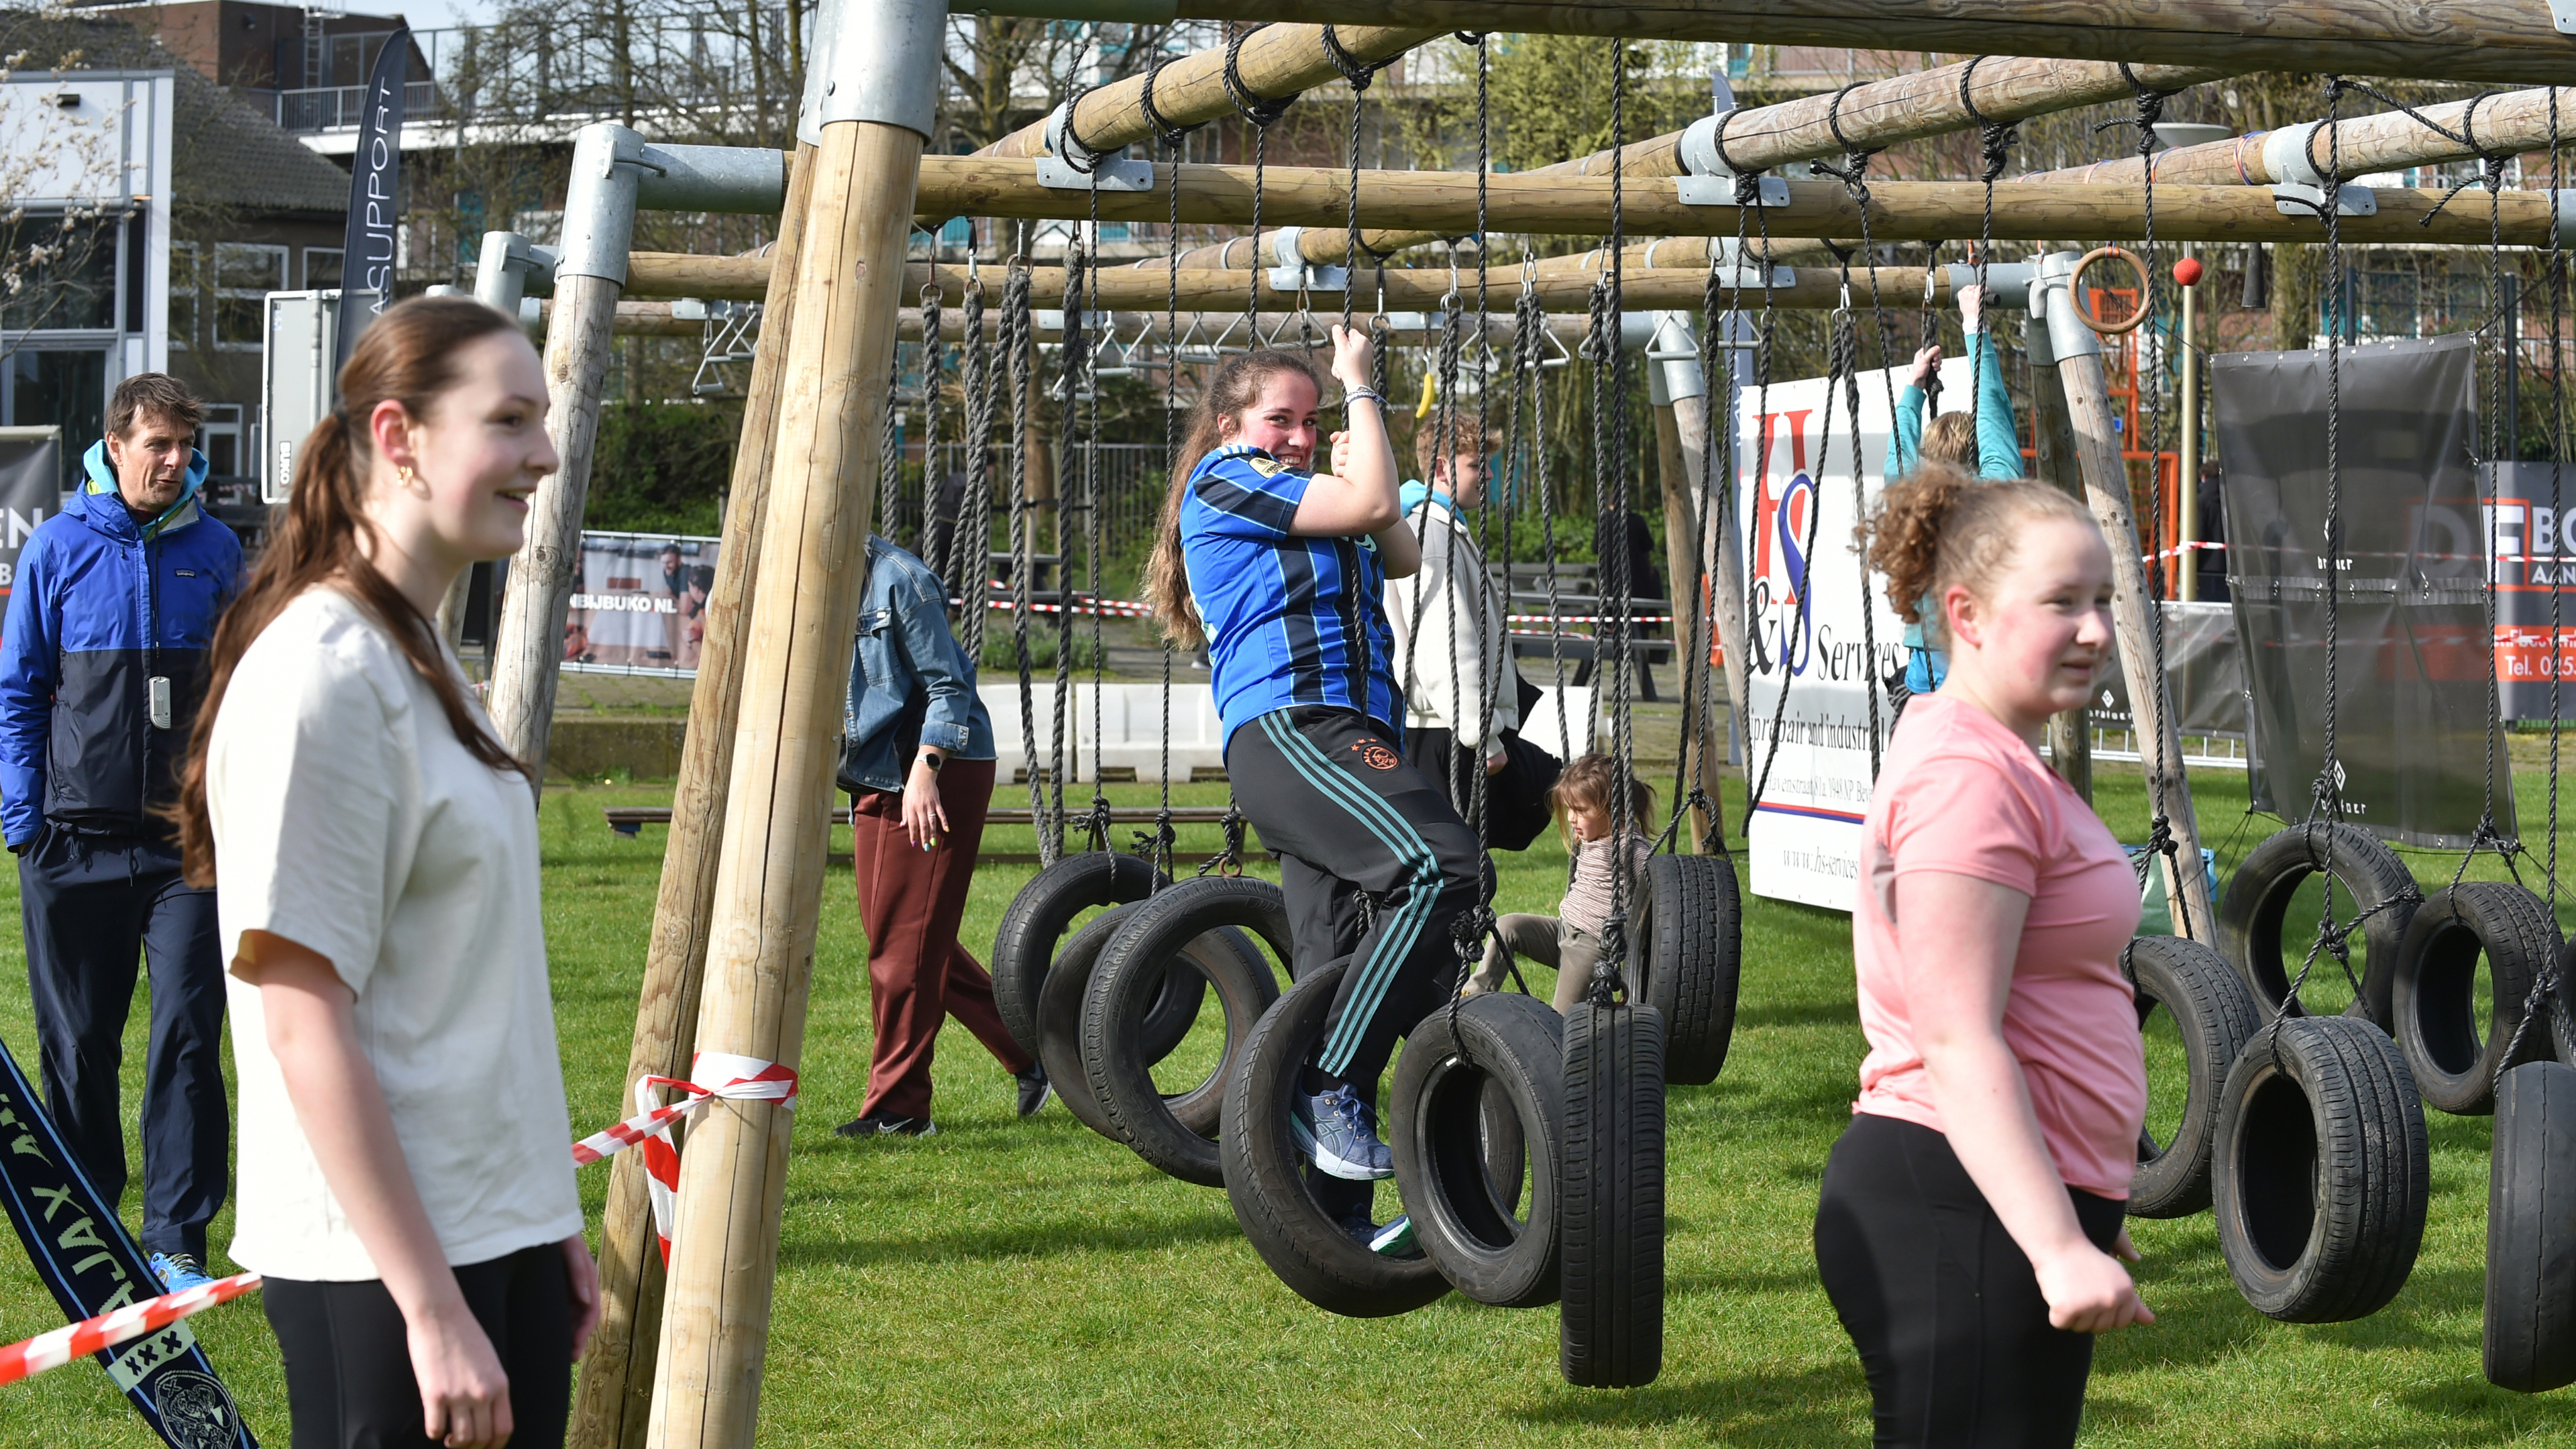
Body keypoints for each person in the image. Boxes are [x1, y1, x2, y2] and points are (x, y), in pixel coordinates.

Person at [174, 297, 598, 1449]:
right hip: (382, 1263)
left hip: (484, 1229)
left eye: (542, 421)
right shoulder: (322, 677)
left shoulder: (423, 665)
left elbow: (476, 985)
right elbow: (304, 1020)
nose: (545, 454)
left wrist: (539, 1215)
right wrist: (430, 1306)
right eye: (509, 421)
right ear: (400, 437)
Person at [1817, 462, 2152, 1449]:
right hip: (1957, 1205)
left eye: (2101, 600)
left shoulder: (1994, 754)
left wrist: (2080, 1196)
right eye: (2062, 603)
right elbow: (1956, 1038)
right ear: (1965, 612)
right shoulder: (1973, 776)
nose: (2095, 629)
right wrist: (2054, 1242)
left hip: (1997, 1195)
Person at [1142, 334, 1476, 1248]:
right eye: (1279, 419)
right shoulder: (1225, 477)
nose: (1296, 435)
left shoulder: (1306, 496)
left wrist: (1356, 441)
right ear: (1231, 424)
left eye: (1310, 418)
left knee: (1337, 959)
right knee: (1444, 867)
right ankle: (1331, 1083)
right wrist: (1363, 389)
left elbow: (1398, 548)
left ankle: (1334, 1220)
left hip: (1346, 734)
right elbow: (1373, 500)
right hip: (1297, 728)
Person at [0, 372, 241, 1291]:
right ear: (117, 446)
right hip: (70, 842)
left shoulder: (217, 550)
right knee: (79, 1042)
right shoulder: (57, 550)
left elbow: (242, 695)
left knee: (186, 1033)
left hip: (184, 849)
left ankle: (176, 1237)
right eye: (161, 446)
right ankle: (95, 1222)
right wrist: (25, 821)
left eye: (187, 446)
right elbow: (19, 694)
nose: (177, 463)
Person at [835, 529, 1046, 1138]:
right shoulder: (803, 575)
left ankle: (900, 1109)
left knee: (902, 953)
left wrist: (927, 769)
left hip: (937, 767)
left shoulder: (899, 580)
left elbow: (949, 686)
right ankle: (1035, 1051)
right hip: (876, 769)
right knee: (903, 940)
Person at [1885, 284, 2025, 698]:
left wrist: (1914, 386)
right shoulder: (1991, 491)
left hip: (1925, 656)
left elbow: (1899, 449)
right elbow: (1994, 412)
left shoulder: (1913, 493)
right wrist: (1974, 327)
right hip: (1978, 654)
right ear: (1978, 451)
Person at [1389, 422, 1521, 809]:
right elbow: (1443, 643)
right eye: (1478, 466)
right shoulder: (1431, 534)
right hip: (1443, 730)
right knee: (1454, 860)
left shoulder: (1439, 527)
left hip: (1445, 724)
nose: (1491, 476)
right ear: (1444, 469)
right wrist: (1484, 736)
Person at [1465, 753, 1652, 1015]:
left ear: (1613, 809)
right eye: (1570, 810)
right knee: (1507, 927)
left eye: (1581, 810)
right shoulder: (1591, 836)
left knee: (1560, 1020)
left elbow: (1658, 884)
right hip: (1562, 931)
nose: (1572, 819)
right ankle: (1474, 994)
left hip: (1592, 948)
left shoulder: (1629, 847)